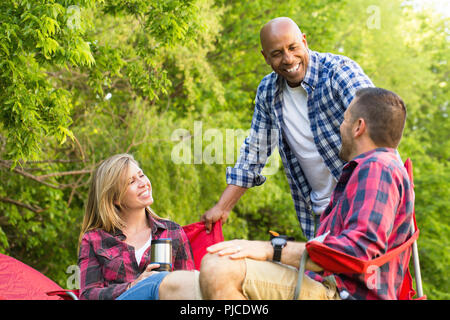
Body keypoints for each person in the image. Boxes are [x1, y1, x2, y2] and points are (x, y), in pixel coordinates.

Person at [199, 87, 415, 300]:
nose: (341, 127)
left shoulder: (378, 168)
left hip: (343, 293)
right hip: (323, 284)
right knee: (177, 286)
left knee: (221, 266)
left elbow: (357, 251)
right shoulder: (366, 170)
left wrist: (270, 249)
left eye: (345, 119)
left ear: (358, 127)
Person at [202, 17, 374, 240]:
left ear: (304, 41)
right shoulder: (268, 92)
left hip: (365, 204)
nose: (288, 58)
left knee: (367, 273)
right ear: (265, 57)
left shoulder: (338, 72)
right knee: (319, 273)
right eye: (277, 53)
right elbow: (255, 152)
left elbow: (378, 125)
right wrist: (222, 208)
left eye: (293, 47)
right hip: (322, 216)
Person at [77, 154, 197, 300]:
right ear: (115, 198)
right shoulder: (94, 239)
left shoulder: (172, 232)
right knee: (159, 280)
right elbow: (87, 295)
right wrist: (133, 286)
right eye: (131, 182)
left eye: (141, 175)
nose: (143, 183)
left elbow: (189, 288)